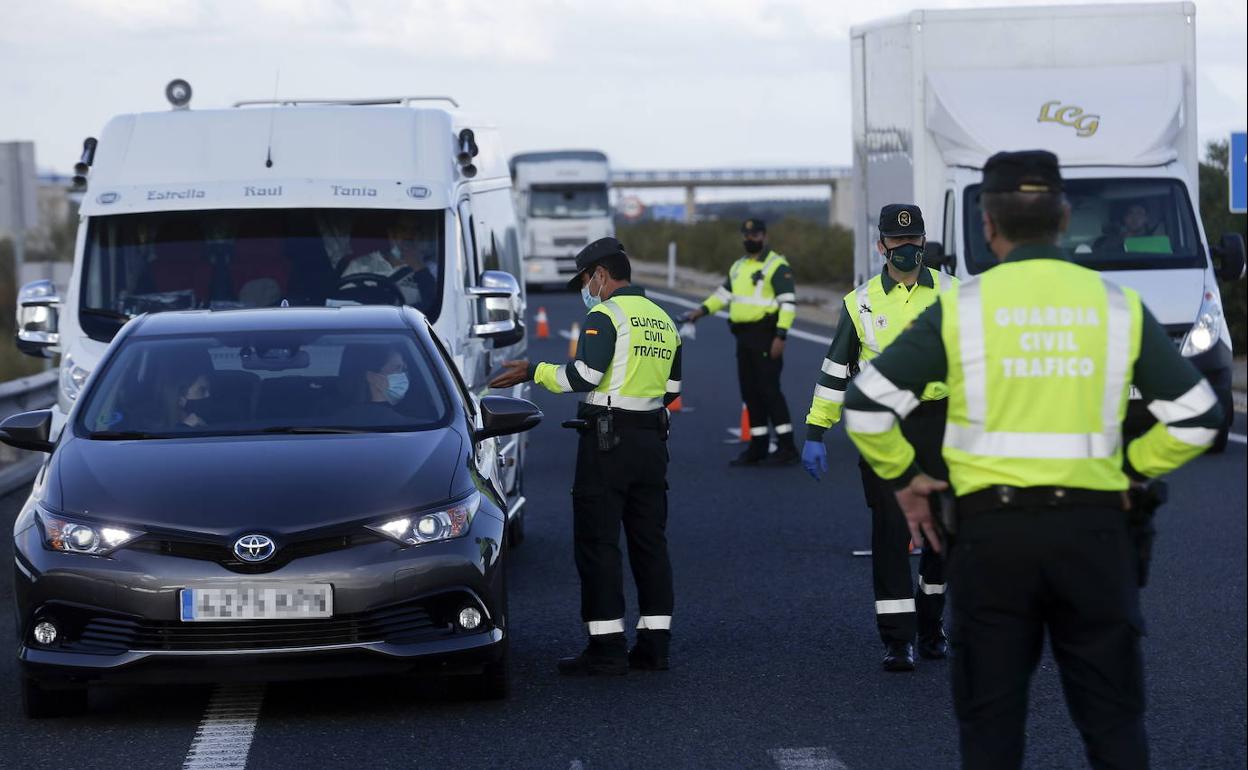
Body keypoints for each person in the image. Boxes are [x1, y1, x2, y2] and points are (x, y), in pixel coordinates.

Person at [841, 150, 1224, 769]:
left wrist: (906, 480)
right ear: (1064, 218)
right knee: (1113, 726)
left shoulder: (961, 309)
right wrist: (1132, 470)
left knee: (992, 732)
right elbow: (1200, 415)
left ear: (987, 226)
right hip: (1096, 536)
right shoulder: (1116, 306)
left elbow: (864, 407)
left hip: (993, 541)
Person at [490, 237, 682, 676]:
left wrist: (533, 371)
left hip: (607, 443)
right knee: (650, 544)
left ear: (600, 274)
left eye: (585, 279)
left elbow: (584, 375)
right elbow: (671, 392)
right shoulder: (664, 321)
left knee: (598, 543)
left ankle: (607, 646)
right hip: (651, 442)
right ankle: (655, 646)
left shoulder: (606, 314)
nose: (585, 288)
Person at [801, 203, 956, 672]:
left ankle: (930, 622)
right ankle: (898, 639)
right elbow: (834, 372)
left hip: (942, 421)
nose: (906, 250)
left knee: (944, 533)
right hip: (885, 424)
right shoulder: (860, 303)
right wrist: (816, 431)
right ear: (881, 245)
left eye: (914, 242)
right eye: (897, 242)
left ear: (924, 242)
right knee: (891, 531)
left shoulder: (956, 294)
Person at [683, 218, 798, 466]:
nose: (750, 239)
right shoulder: (738, 267)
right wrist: (700, 312)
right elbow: (722, 296)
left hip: (766, 335)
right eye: (746, 236)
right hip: (744, 337)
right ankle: (758, 446)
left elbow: (788, 304)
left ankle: (787, 445)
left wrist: (781, 336)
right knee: (750, 392)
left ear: (764, 236)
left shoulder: (776, 266)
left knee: (769, 391)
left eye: (755, 235)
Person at [341, 213, 437, 309]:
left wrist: (418, 267)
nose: (409, 235)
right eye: (403, 229)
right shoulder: (360, 264)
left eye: (415, 230)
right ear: (391, 233)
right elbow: (342, 302)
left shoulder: (432, 270)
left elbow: (435, 307)